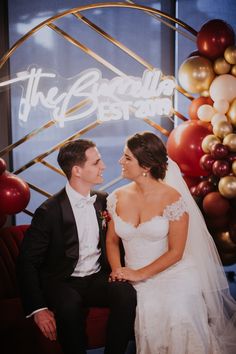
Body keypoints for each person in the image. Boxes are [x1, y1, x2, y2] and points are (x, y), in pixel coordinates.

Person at [106, 131, 236, 354]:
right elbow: (111, 241)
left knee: (178, 308)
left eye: (127, 158)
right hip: (132, 274)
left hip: (173, 272)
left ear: (146, 166)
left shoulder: (173, 198)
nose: (120, 162)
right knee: (149, 309)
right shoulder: (116, 197)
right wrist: (118, 270)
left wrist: (141, 274)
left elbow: (176, 252)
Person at [17, 139, 136, 354]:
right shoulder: (49, 211)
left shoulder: (102, 200)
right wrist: (38, 309)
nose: (104, 166)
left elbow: (115, 242)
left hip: (96, 277)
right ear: (77, 170)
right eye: (96, 162)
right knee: (68, 305)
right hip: (62, 281)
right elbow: (27, 261)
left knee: (125, 293)